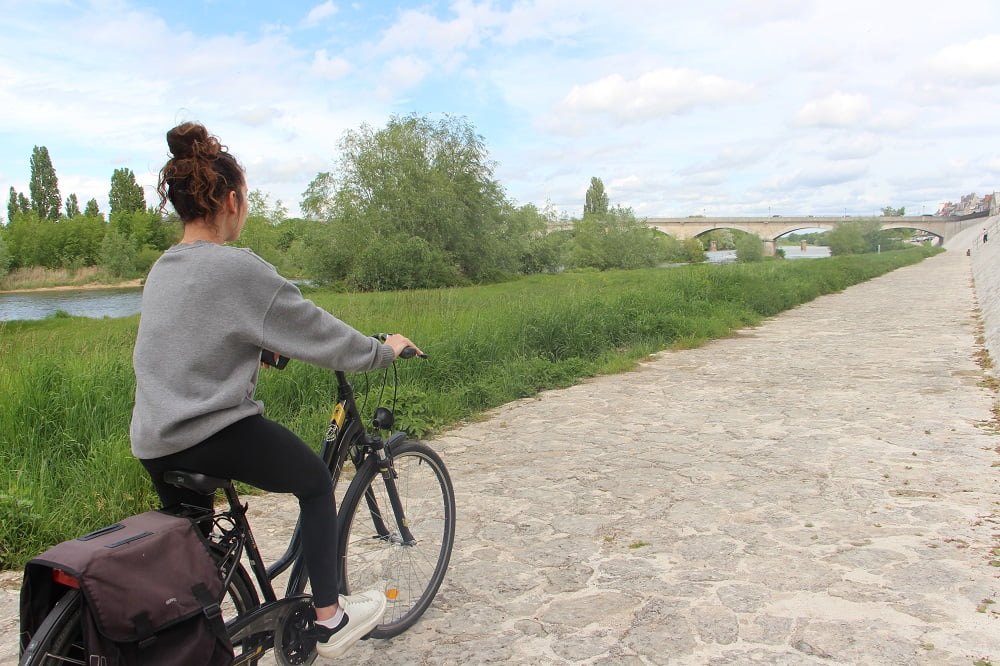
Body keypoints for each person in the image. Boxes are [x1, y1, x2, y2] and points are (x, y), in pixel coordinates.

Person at [129, 121, 421, 659]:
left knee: (198, 561)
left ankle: (199, 640)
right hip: (209, 431)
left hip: (154, 439)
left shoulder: (163, 268)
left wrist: (260, 347)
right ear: (232, 200)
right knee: (314, 483)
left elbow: (190, 337)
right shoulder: (238, 268)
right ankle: (330, 618)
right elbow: (318, 330)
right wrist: (382, 350)